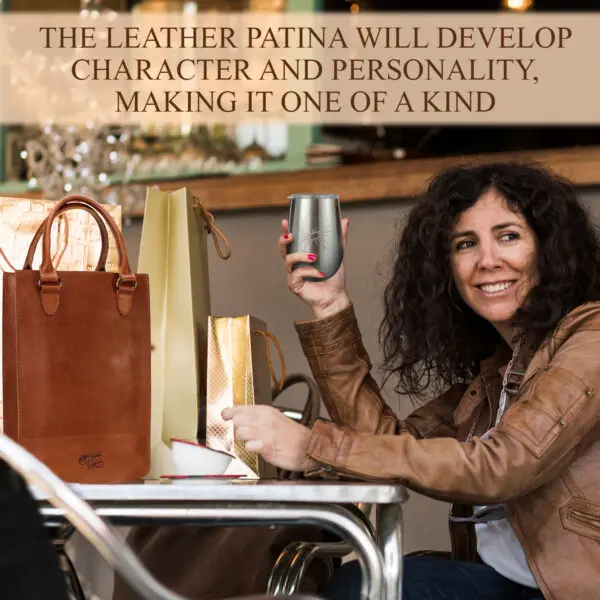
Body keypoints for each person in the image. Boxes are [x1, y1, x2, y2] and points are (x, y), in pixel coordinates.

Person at [222, 162, 600, 600]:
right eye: (465, 244)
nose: (488, 260)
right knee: (364, 583)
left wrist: (312, 446)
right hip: (503, 583)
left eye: (509, 236)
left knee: (365, 588)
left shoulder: (590, 340)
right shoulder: (500, 373)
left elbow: (503, 465)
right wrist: (330, 306)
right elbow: (388, 442)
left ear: (551, 249)